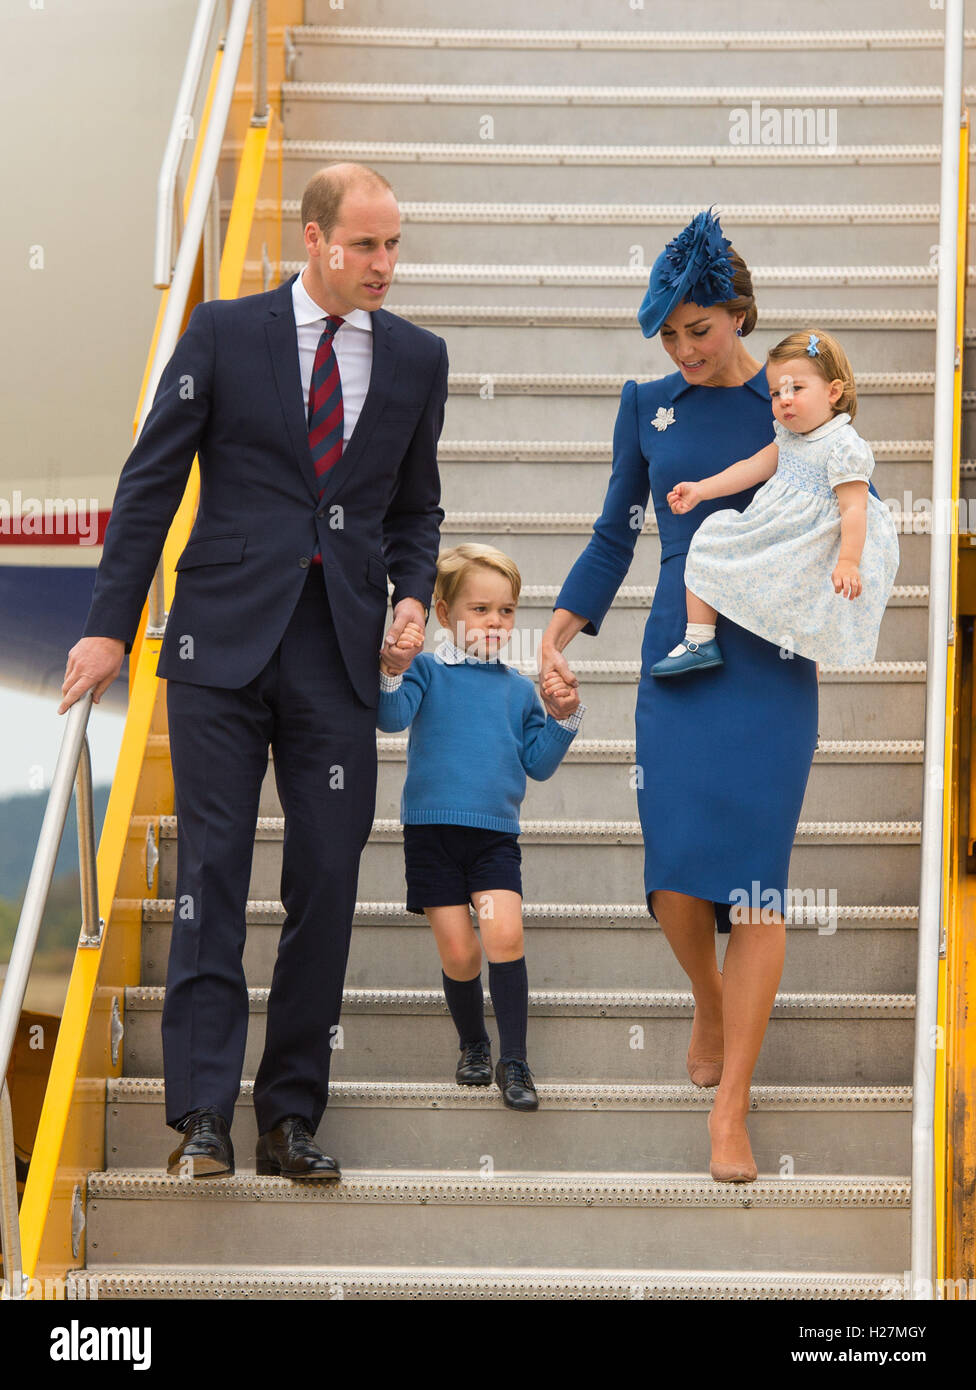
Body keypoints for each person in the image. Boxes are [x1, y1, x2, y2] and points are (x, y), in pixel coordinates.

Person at [58, 162, 448, 1180]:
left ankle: (288, 1116)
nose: (383, 265)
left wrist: (411, 593)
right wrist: (108, 626)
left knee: (324, 880)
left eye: (393, 244)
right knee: (212, 876)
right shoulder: (226, 334)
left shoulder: (416, 358)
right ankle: (200, 1116)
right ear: (311, 238)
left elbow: (416, 509)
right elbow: (151, 482)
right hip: (218, 650)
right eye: (364, 244)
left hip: (338, 657)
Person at [538, 209, 887, 1184]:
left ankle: (729, 1109)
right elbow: (615, 535)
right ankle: (706, 990)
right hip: (678, 661)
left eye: (701, 329)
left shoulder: (792, 406)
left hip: (772, 661)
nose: (684, 349)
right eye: (669, 334)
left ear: (738, 315)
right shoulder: (644, 406)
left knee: (759, 885)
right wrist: (556, 636)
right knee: (677, 881)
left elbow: (848, 503)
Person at [376, 543, 584, 1111]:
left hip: (493, 838)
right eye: (480, 609)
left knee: (504, 936)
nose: (495, 622)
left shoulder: (519, 690)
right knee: (461, 953)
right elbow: (391, 719)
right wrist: (392, 669)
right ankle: (473, 1041)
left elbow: (537, 764)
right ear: (444, 614)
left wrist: (564, 718)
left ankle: (513, 1060)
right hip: (431, 836)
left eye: (507, 611)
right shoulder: (426, 670)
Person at [651, 327, 899, 677]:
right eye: (775, 392)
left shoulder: (843, 446)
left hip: (810, 543)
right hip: (776, 530)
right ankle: (700, 639)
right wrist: (701, 490)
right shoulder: (790, 437)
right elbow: (751, 468)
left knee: (788, 582)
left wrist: (848, 561)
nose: (784, 399)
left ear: (833, 392)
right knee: (711, 538)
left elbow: (854, 508)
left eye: (796, 388)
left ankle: (783, 638)